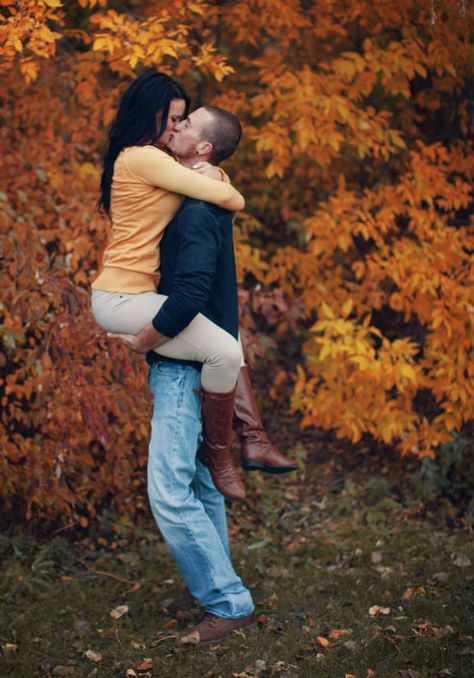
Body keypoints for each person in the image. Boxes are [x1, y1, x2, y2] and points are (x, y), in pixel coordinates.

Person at [92, 70, 296, 502]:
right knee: (224, 351)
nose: (176, 127)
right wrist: (220, 180)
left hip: (141, 295)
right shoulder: (143, 158)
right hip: (123, 295)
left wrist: (212, 176)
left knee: (225, 340)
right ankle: (222, 455)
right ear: (153, 115)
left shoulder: (155, 161)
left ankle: (247, 441)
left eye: (183, 120)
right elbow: (233, 201)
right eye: (173, 118)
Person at [141, 106, 259, 644]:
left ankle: (227, 601)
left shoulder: (194, 211)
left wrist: (145, 338)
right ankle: (214, 584)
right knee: (201, 485)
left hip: (184, 368)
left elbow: (188, 295)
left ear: (204, 149)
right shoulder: (206, 197)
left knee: (168, 490)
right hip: (193, 363)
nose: (177, 128)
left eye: (187, 125)